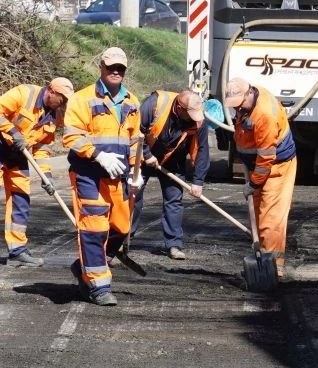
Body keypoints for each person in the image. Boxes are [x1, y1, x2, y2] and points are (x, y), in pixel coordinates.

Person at [62, 47, 142, 306]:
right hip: (89, 173)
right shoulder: (83, 98)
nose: (116, 72)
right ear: (102, 69)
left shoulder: (132, 101)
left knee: (121, 227)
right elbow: (72, 136)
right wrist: (97, 154)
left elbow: (134, 141)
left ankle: (84, 265)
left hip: (117, 175)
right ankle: (98, 285)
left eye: (120, 68)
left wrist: (135, 172)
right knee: (95, 228)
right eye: (111, 68)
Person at [0, 77, 75, 267]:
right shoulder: (24, 93)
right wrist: (13, 131)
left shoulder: (55, 116)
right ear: (50, 91)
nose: (63, 104)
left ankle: (17, 250)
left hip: (19, 153)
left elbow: (42, 147)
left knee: (21, 198)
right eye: (62, 99)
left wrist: (46, 175)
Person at [223, 77, 296, 279]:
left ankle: (274, 265)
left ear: (249, 94)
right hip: (256, 165)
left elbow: (266, 158)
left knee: (270, 217)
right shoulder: (247, 104)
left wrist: (254, 183)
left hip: (276, 166)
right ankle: (263, 258)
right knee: (257, 213)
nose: (237, 110)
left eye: (239, 105)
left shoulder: (264, 114)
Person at [131, 90, 210, 260]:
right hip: (143, 158)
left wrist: (198, 181)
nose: (194, 118)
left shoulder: (199, 119)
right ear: (180, 108)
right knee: (133, 196)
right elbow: (135, 131)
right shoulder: (155, 104)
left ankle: (174, 244)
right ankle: (122, 240)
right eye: (190, 114)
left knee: (174, 200)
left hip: (173, 161)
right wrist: (147, 154)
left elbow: (203, 150)